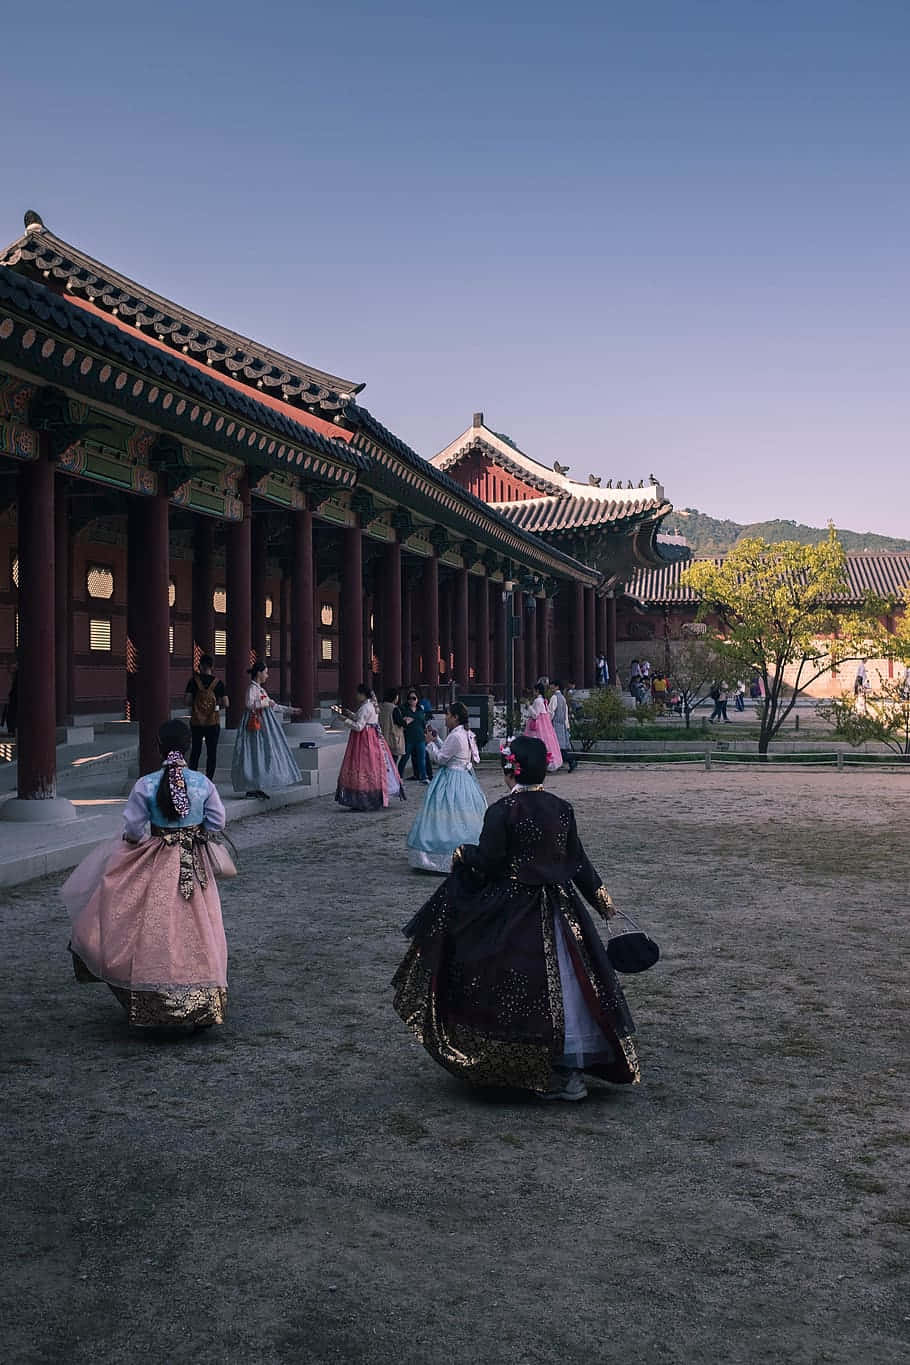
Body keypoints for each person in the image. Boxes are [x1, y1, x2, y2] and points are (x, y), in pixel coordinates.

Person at [393, 734, 640, 1101]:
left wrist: (463, 854)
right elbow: (579, 863)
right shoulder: (561, 808)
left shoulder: (502, 811)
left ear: (511, 771)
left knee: (512, 986)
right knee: (573, 987)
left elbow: (491, 863)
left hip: (512, 911)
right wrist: (602, 900)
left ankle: (522, 1067)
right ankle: (566, 1069)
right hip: (560, 910)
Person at [62, 719, 229, 1031]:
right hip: (192, 862)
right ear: (190, 746)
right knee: (200, 927)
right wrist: (194, 832)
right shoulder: (203, 784)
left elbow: (135, 831)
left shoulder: (146, 784)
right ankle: (202, 999)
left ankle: (155, 995)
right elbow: (217, 821)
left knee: (155, 926)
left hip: (157, 861)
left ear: (158, 747)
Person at [406, 701, 487, 872]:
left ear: (455, 717)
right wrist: (437, 740)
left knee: (445, 815)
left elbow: (442, 759)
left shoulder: (456, 735)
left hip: (451, 779)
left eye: (448, 715)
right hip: (464, 778)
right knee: (463, 815)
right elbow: (453, 753)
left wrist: (429, 744)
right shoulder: (466, 733)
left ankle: (442, 855)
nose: (445, 719)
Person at [231, 661, 301, 798]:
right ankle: (251, 785)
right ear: (259, 673)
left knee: (260, 754)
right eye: (266, 672)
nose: (267, 675)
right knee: (253, 753)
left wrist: (290, 710)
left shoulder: (261, 690)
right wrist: (265, 703)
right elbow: (249, 704)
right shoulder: (252, 688)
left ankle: (257, 784)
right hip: (253, 726)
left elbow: (273, 706)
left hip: (262, 727)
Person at [335, 683, 406, 811]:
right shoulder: (372, 705)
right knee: (374, 766)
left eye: (358, 693)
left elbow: (359, 726)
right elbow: (362, 719)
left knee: (362, 765)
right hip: (374, 738)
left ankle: (362, 798)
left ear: (362, 694)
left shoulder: (365, 707)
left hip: (364, 741)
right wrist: (351, 714)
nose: (356, 696)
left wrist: (344, 720)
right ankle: (375, 796)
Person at [184, 654, 228, 780]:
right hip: (212, 722)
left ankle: (192, 778)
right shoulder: (218, 683)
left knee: (195, 751)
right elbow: (226, 703)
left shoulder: (193, 681)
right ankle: (209, 779)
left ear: (200, 666)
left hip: (196, 722)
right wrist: (215, 705)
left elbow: (187, 700)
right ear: (212, 666)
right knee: (211, 752)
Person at [524, 681, 563, 772]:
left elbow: (535, 715)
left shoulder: (538, 701)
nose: (533, 692)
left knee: (535, 744)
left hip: (538, 727)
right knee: (548, 742)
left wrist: (528, 706)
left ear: (537, 691)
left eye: (534, 691)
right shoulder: (543, 700)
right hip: (545, 724)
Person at [398, 689, 430, 784]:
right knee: (405, 758)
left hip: (420, 738)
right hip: (409, 738)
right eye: (409, 698)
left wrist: (426, 732)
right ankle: (398, 776)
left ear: (417, 699)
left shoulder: (420, 710)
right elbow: (400, 721)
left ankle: (423, 777)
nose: (411, 700)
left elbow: (424, 723)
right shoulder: (404, 709)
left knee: (422, 758)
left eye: (414, 698)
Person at [548, 679, 577, 772]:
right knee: (560, 747)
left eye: (552, 685)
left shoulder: (554, 698)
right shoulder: (563, 698)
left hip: (555, 725)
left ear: (556, 686)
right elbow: (565, 713)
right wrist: (567, 726)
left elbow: (551, 712)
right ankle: (567, 761)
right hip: (562, 725)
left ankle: (571, 760)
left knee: (558, 748)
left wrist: (547, 723)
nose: (550, 687)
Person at [379, 687, 405, 763]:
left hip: (381, 737)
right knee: (392, 762)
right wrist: (406, 721)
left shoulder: (379, 706)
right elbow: (400, 722)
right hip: (392, 738)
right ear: (395, 697)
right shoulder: (394, 708)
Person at [3, 660, 18, 737]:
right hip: (14, 702)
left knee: (12, 717)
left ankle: (13, 731)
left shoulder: (18, 677)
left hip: (16, 703)